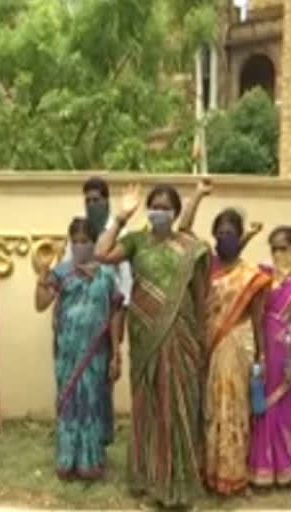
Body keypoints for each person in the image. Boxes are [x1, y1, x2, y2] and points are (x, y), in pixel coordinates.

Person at [94, 184, 209, 508]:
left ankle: (180, 485)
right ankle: (149, 479)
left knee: (179, 407)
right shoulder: (136, 241)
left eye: (166, 207)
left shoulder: (191, 248)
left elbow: (200, 298)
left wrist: (200, 340)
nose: (159, 211)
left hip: (182, 336)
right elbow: (102, 253)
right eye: (154, 206)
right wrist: (120, 217)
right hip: (145, 339)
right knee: (150, 408)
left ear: (174, 213)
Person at [176, 181, 268, 495]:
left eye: (231, 232)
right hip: (206, 347)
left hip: (237, 346)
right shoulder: (206, 263)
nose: (224, 237)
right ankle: (208, 472)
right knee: (209, 408)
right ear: (213, 236)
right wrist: (198, 195)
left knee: (234, 409)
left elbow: (257, 320)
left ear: (238, 236)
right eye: (220, 232)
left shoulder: (252, 276)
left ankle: (233, 476)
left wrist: (261, 357)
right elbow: (183, 229)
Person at [36, 217, 123, 480]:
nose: (79, 246)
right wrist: (42, 273)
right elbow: (41, 304)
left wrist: (117, 352)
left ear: (95, 243)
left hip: (96, 354)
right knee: (69, 404)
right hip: (68, 352)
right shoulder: (61, 272)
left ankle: (90, 461)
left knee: (92, 403)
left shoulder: (107, 275)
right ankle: (67, 458)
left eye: (85, 241)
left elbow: (115, 313)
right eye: (75, 241)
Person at [62, 177, 131, 445]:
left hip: (110, 313)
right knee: (79, 376)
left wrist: (120, 322)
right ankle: (79, 428)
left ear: (107, 200)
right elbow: (68, 269)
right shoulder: (79, 232)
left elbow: (125, 281)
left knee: (105, 375)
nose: (92, 204)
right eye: (88, 200)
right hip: (79, 315)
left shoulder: (120, 234)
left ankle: (103, 431)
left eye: (96, 200)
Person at [248, 226, 291, 487]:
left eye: (283, 248)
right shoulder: (263, 276)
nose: (277, 253)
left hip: (287, 347)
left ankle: (285, 466)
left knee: (285, 404)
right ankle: (263, 467)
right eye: (273, 248)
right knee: (262, 400)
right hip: (264, 344)